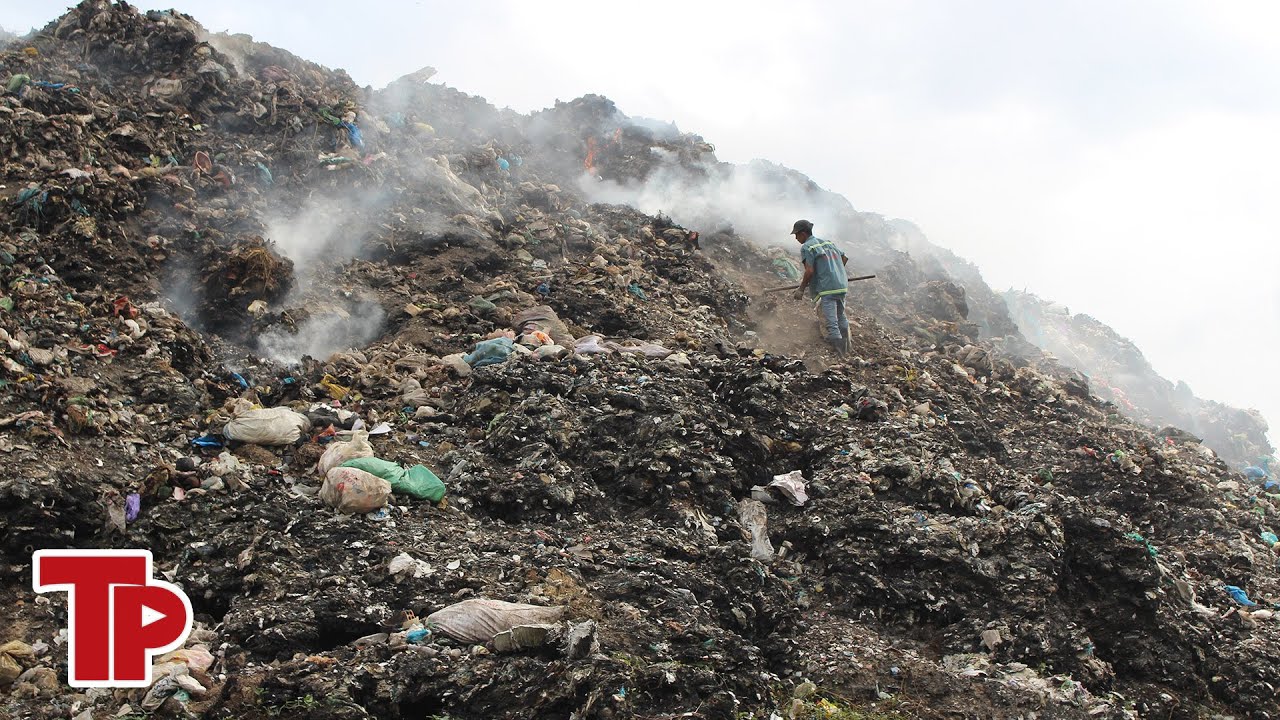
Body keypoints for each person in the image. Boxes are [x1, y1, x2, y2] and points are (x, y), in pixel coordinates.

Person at [791, 219, 850, 353]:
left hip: (827, 288)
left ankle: (839, 352)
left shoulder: (807, 247)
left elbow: (809, 271)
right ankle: (847, 346)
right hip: (841, 285)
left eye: (796, 235)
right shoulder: (827, 242)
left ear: (803, 234)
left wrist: (801, 289)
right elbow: (844, 258)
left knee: (831, 321)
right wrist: (836, 272)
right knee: (841, 316)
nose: (796, 238)